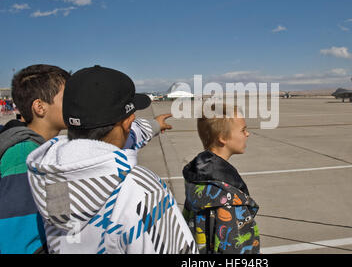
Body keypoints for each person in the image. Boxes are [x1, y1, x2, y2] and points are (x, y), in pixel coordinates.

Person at [27, 65, 198, 254]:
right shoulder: (140, 189)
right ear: (128, 121)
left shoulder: (51, 177)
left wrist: (154, 125)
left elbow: (123, 137)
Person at [0, 64, 70, 254]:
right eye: (68, 98)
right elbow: (16, 240)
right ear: (39, 107)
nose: (76, 103)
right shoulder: (23, 155)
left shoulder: (46, 150)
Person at [182, 104, 260, 254]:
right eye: (243, 130)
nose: (247, 134)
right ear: (223, 138)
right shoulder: (227, 197)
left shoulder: (197, 177)